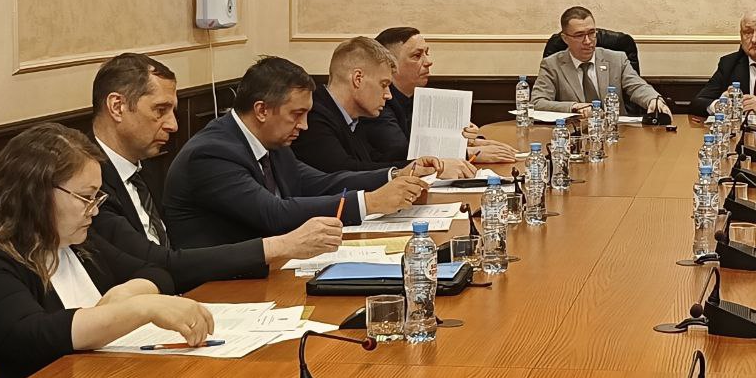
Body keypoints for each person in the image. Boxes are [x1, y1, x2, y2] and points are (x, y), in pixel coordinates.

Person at [0, 124, 215, 378]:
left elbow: (156, 272)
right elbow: (33, 335)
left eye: (96, 197)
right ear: (36, 192)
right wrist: (141, 308)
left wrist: (126, 293)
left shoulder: (74, 240)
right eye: (85, 197)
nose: (94, 210)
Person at [91, 53, 343, 291]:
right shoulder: (89, 184)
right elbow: (159, 262)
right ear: (117, 106)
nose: (173, 125)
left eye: (173, 112)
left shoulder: (141, 168)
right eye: (160, 110)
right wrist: (281, 246)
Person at [164, 56, 430, 249]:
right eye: (297, 114)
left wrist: (392, 176)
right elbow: (273, 213)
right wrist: (369, 203)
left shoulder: (271, 141)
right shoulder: (212, 153)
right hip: (216, 288)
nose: (304, 126)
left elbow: (316, 182)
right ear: (262, 110)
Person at [291, 37, 473, 179]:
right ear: (358, 79)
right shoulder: (313, 114)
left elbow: (375, 160)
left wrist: (423, 164)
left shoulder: (352, 116)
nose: (388, 95)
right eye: (384, 84)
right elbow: (344, 171)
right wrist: (419, 170)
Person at [358, 27, 517, 165]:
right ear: (391, 64)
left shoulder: (416, 96)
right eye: (417, 56)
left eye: (426, 53)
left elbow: (428, 141)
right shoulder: (379, 100)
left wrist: (470, 140)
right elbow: (400, 151)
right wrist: (468, 153)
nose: (428, 62)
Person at [532, 6, 671, 119]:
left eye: (592, 33)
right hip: (573, 135)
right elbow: (538, 102)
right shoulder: (552, 65)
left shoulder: (617, 59)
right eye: (579, 35)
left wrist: (653, 100)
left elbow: (637, 87)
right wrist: (574, 107)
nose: (588, 41)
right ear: (565, 38)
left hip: (617, 134)